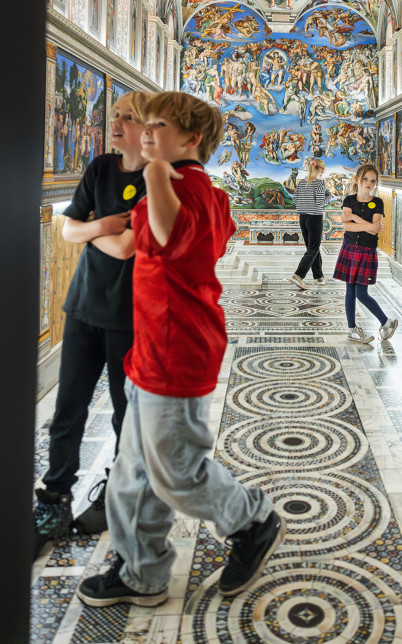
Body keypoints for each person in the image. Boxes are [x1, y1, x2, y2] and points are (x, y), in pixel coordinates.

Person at [77, 92, 284, 608]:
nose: (145, 132)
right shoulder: (187, 189)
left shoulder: (184, 188)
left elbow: (166, 237)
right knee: (131, 473)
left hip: (178, 350)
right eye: (143, 124)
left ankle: (252, 520)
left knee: (175, 472)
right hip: (151, 349)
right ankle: (141, 571)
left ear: (191, 139)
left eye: (158, 125)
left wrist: (151, 172)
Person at [33, 91, 152, 560]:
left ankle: (114, 495)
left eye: (126, 117)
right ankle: (54, 499)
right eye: (114, 115)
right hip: (82, 307)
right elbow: (68, 229)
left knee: (126, 416)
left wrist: (93, 229)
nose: (115, 123)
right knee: (67, 411)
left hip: (128, 315)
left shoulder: (156, 180)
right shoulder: (100, 168)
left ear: (148, 128)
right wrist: (105, 226)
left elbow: (129, 249)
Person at [333, 163, 398, 345]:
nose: (369, 183)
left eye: (373, 181)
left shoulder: (377, 202)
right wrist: (364, 224)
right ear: (357, 180)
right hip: (350, 249)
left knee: (361, 293)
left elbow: (375, 231)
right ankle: (352, 329)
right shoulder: (349, 200)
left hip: (367, 251)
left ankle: (386, 322)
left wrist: (355, 218)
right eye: (365, 179)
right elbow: (346, 225)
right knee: (350, 291)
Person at [289, 158, 332, 290]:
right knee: (313, 248)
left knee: (312, 248)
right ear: (322, 170)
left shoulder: (302, 182)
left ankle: (319, 276)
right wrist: (329, 196)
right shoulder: (319, 183)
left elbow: (295, 200)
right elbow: (320, 202)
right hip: (315, 218)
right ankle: (298, 275)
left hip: (303, 218)